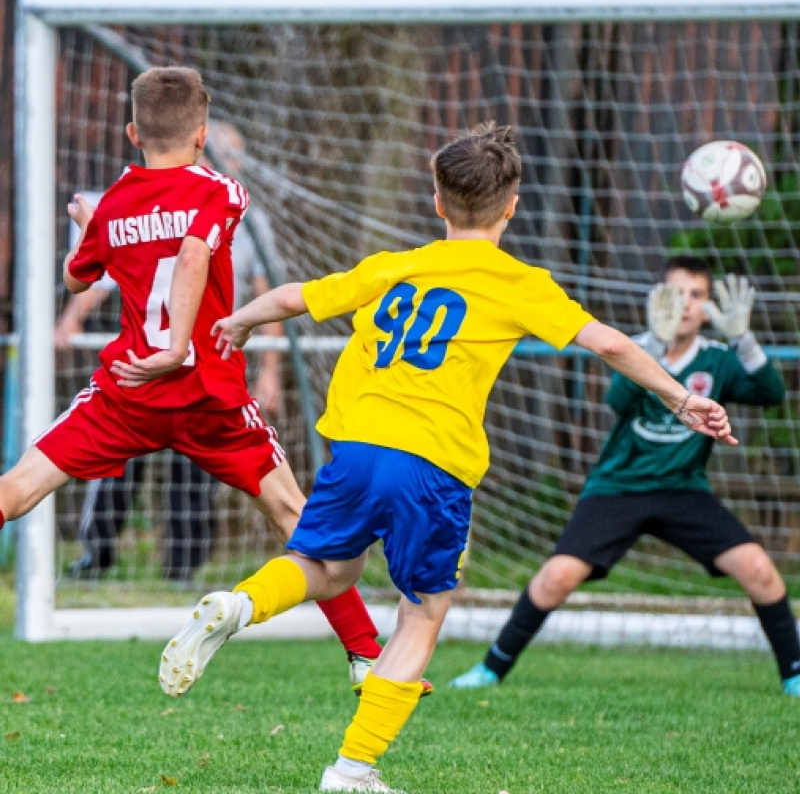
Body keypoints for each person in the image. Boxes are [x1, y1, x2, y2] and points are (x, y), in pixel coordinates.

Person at [154, 124, 735, 793]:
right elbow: (608, 344)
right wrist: (678, 398)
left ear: (437, 201)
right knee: (423, 612)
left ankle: (239, 604)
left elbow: (294, 298)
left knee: (328, 567)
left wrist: (240, 321)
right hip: (430, 462)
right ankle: (353, 770)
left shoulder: (396, 266)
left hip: (356, 445)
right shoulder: (520, 283)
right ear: (512, 206)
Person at [0, 65, 382, 685]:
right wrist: (178, 346)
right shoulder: (220, 191)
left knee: (17, 489)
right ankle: (366, 653)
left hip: (127, 391)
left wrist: (91, 232)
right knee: (296, 519)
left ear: (132, 131)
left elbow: (76, 277)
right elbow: (194, 252)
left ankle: (366, 650)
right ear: (202, 135)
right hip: (208, 392)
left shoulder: (113, 203)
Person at [448, 256, 800, 698]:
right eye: (676, 294)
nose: (687, 305)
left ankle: (793, 674)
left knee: (758, 569)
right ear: (657, 299)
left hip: (682, 490)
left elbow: (770, 393)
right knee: (556, 577)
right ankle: (490, 670)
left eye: (697, 295)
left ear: (709, 306)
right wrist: (655, 341)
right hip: (617, 489)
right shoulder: (637, 349)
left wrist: (743, 338)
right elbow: (619, 398)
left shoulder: (718, 360)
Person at [55, 121, 283, 580]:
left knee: (199, 479)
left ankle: (183, 569)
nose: (227, 161)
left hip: (205, 371)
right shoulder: (149, 203)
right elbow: (107, 274)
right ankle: (96, 556)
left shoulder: (245, 217)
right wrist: (72, 316)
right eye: (220, 150)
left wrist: (270, 371)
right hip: (154, 364)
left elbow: (267, 294)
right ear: (198, 143)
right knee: (114, 468)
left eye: (234, 153)